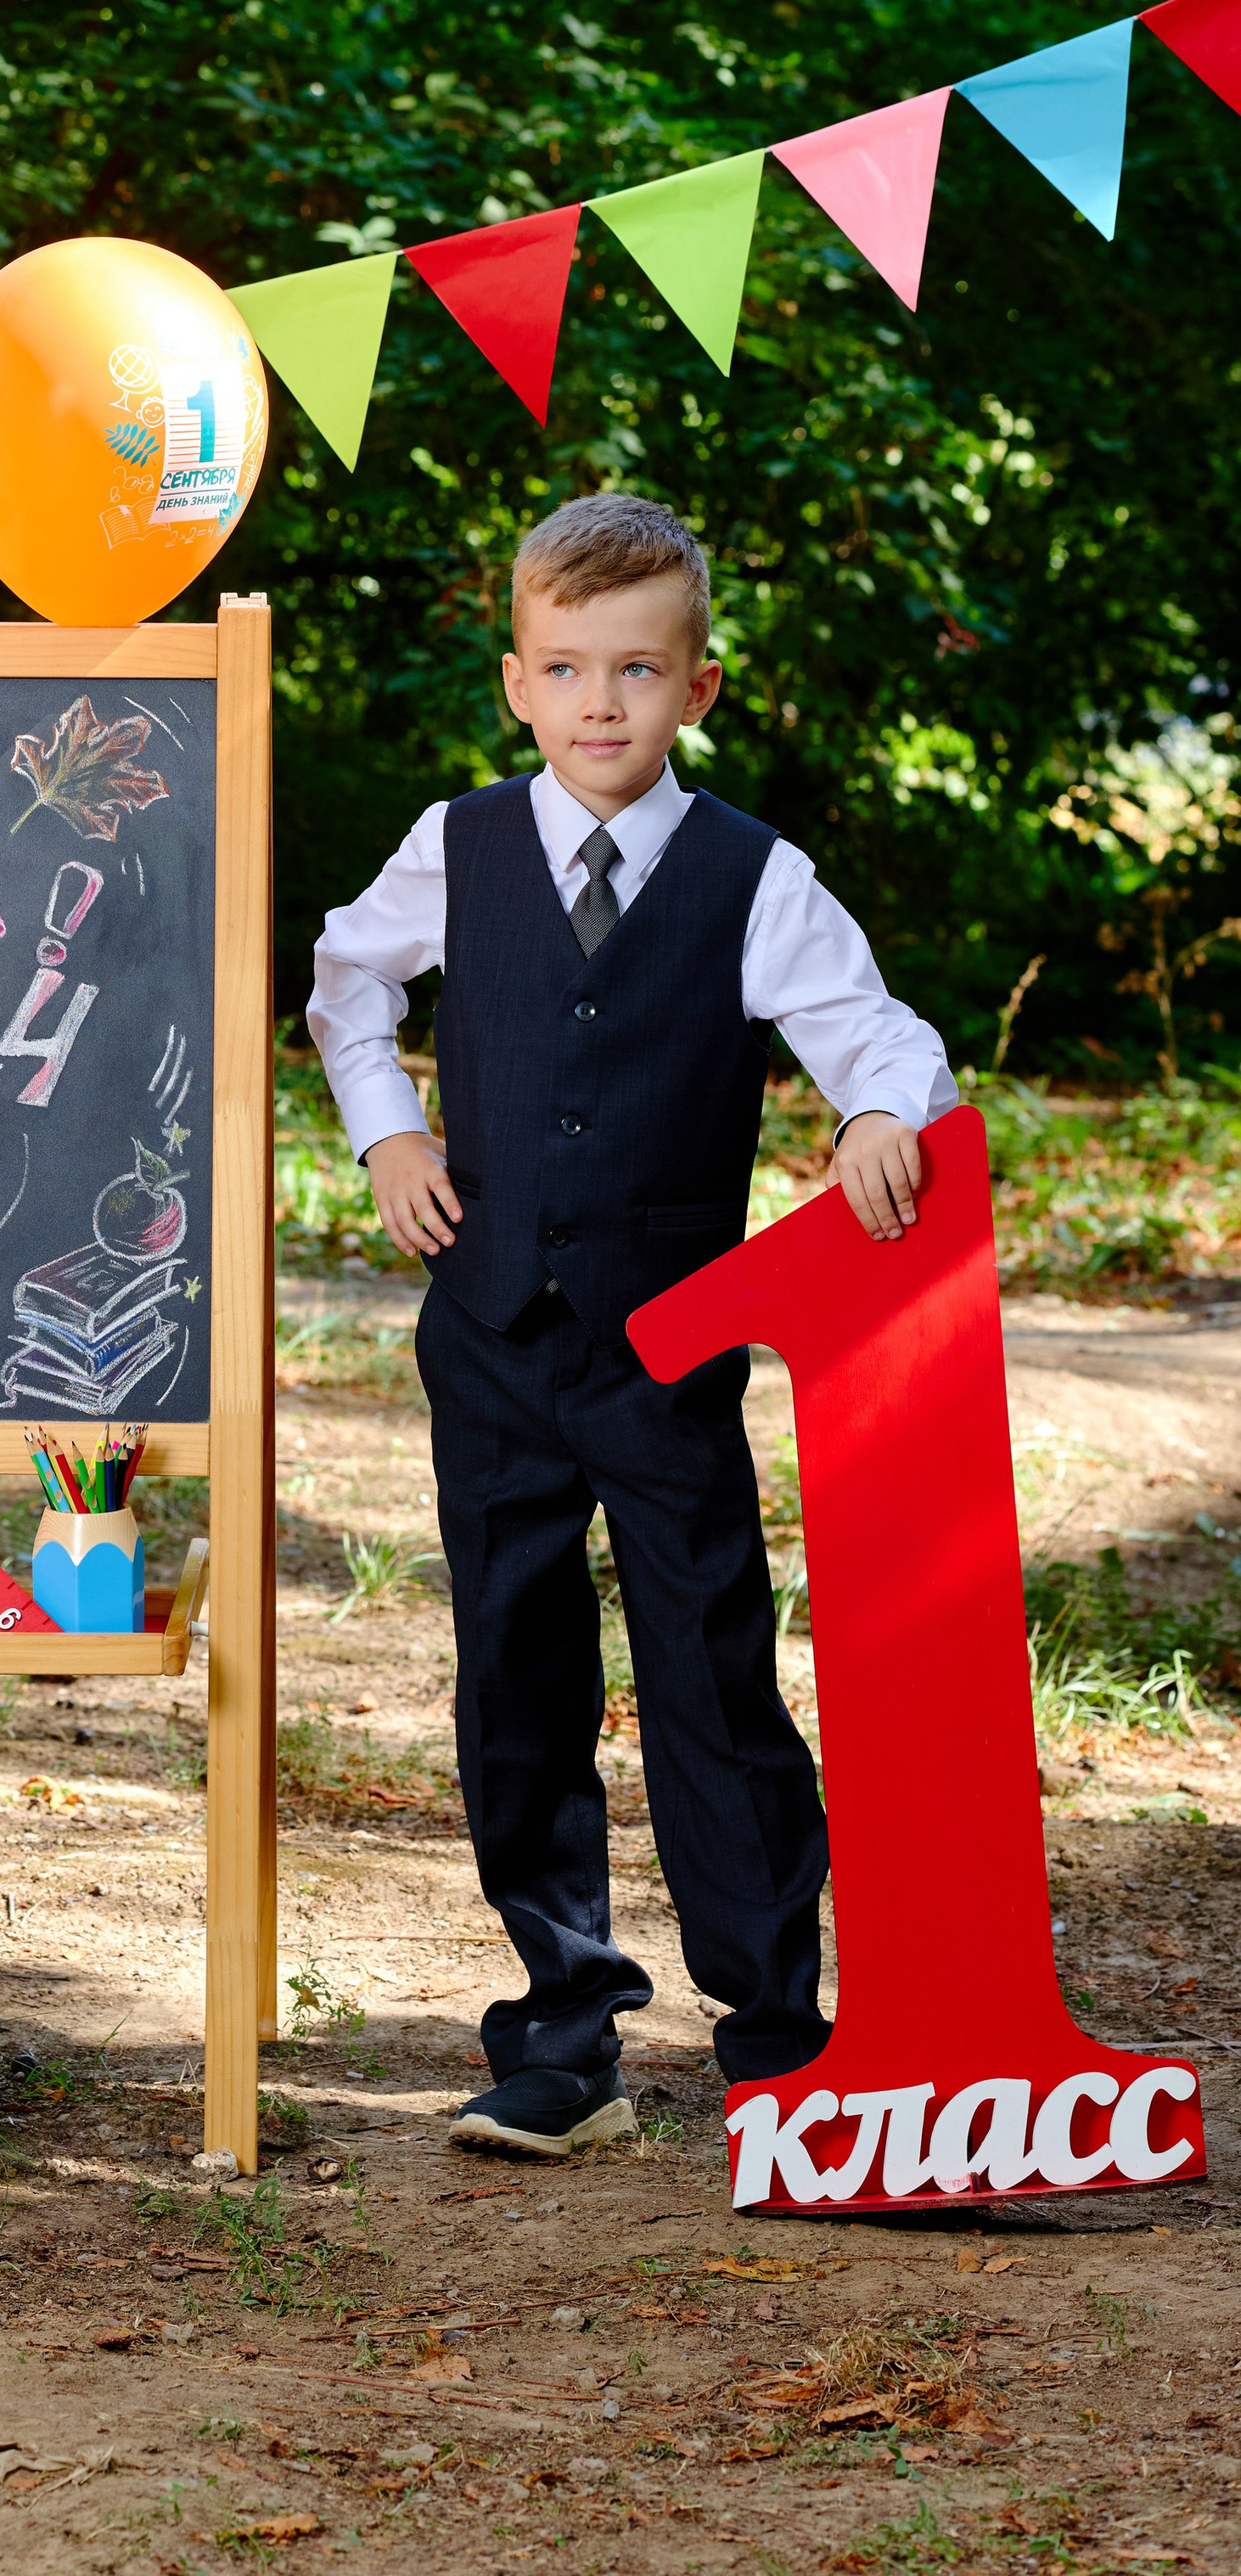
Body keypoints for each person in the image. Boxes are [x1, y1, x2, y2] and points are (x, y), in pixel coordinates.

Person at [308, 493, 955, 2158]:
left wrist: (879, 1113)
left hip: (667, 1350)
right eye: (565, 669)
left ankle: (773, 2031)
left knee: (706, 1675)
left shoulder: (753, 879)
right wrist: (386, 1128)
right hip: (493, 1341)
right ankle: (561, 2028)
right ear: (514, 681)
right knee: (515, 1675)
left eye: (637, 672)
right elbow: (343, 978)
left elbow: (877, 1035)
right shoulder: (452, 849)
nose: (601, 704)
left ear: (698, 689)